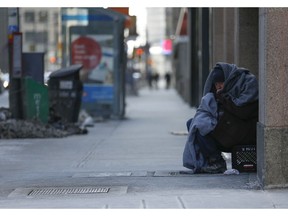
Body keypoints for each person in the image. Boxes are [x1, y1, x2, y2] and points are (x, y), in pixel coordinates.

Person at [183, 62, 258, 174]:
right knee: (194, 123)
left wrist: (222, 98)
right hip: (229, 127)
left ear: (227, 80)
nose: (218, 86)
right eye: (216, 84)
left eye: (220, 82)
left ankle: (217, 163)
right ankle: (213, 160)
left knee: (200, 126)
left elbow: (243, 111)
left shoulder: (248, 82)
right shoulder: (221, 91)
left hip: (244, 131)